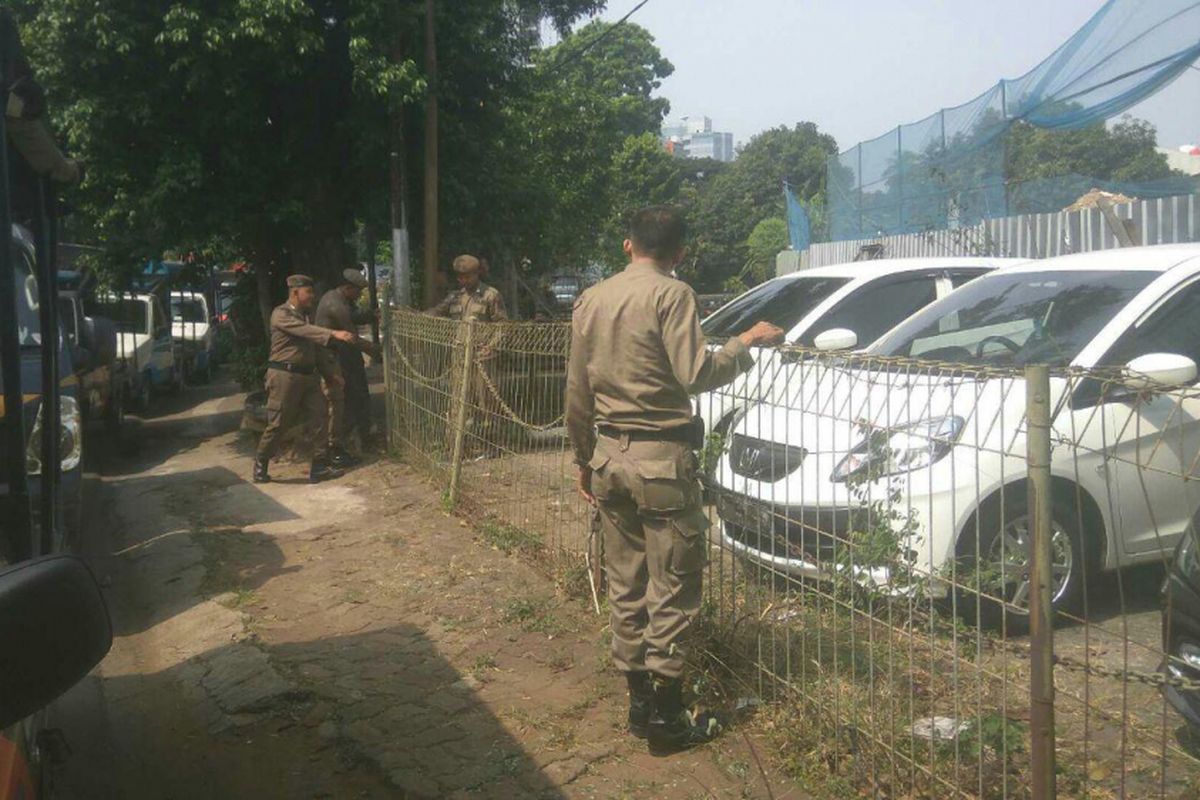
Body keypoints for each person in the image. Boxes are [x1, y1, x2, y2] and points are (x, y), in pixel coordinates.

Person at [565, 206, 783, 756]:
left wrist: (581, 458)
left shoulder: (592, 299)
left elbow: (576, 392)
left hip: (608, 458)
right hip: (662, 462)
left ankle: (639, 704)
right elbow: (696, 373)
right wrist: (744, 343)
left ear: (626, 245)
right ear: (679, 253)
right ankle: (667, 719)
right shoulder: (673, 294)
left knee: (626, 582)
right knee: (673, 588)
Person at [254, 275, 356, 484]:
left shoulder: (305, 317)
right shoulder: (281, 314)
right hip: (284, 376)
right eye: (308, 292)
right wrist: (334, 333)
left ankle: (319, 466)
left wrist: (330, 375)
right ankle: (261, 462)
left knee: (320, 417)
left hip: (308, 376)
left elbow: (316, 349)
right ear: (295, 292)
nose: (312, 296)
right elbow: (307, 332)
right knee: (279, 424)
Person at [316, 268, 379, 460]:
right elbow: (351, 336)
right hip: (336, 359)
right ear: (347, 288)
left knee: (355, 396)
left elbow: (353, 317)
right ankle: (344, 444)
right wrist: (378, 350)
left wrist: (369, 315)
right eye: (357, 290)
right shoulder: (335, 305)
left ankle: (353, 439)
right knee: (348, 399)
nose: (359, 294)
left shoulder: (340, 299)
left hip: (344, 356)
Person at [428, 254, 507, 322]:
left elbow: (501, 325)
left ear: (477, 274)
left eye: (468, 277)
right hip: (459, 340)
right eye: (461, 278)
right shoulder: (454, 297)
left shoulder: (490, 296)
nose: (464, 281)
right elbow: (437, 312)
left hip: (481, 340)